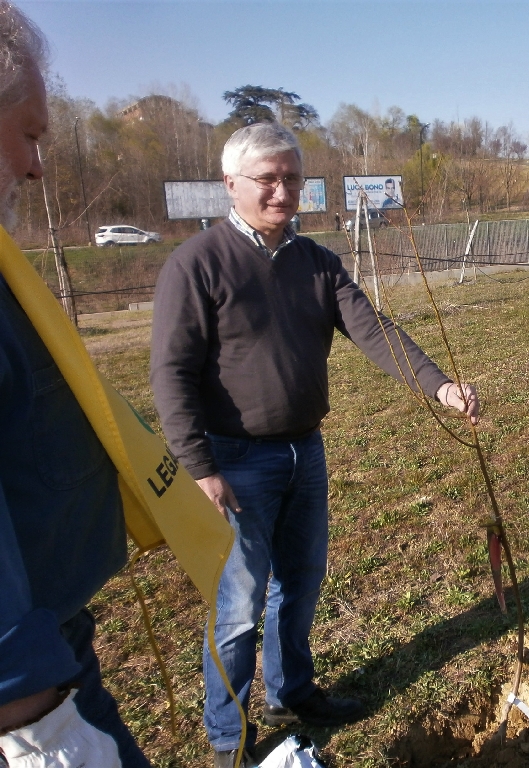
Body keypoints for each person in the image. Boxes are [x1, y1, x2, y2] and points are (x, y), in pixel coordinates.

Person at [150, 122, 479, 768]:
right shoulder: (196, 264)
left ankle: (291, 693)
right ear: (231, 185)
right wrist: (199, 466)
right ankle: (228, 739)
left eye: (292, 178)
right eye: (267, 179)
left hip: (306, 453)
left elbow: (375, 331)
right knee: (239, 604)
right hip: (236, 461)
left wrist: (439, 388)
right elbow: (171, 372)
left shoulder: (318, 264)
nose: (282, 192)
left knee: (300, 584)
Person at [0, 3, 149, 765]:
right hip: (29, 692)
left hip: (55, 642)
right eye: (28, 133)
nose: (36, 164)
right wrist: (35, 719)